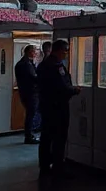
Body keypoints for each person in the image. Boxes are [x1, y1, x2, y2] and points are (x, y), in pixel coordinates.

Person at [37, 39, 79, 176]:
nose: (66, 54)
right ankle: (58, 166)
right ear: (59, 51)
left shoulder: (44, 65)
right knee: (59, 137)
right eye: (65, 51)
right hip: (57, 107)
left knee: (46, 136)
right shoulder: (55, 66)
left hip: (47, 105)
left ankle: (44, 164)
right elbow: (61, 86)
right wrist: (74, 90)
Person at [15, 45, 40, 145]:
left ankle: (29, 134)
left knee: (30, 114)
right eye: (34, 51)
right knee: (30, 114)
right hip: (30, 93)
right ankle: (28, 136)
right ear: (29, 52)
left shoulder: (21, 64)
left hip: (25, 92)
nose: (35, 53)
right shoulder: (26, 64)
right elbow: (33, 78)